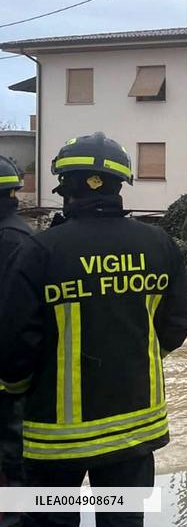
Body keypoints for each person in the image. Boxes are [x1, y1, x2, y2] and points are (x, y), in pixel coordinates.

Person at [0, 133, 187, 527]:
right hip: (136, 430)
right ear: (120, 185)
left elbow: (15, 342)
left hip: (55, 437)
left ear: (66, 187)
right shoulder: (159, 244)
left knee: (50, 521)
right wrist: (135, 355)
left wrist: (18, 389)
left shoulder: (39, 251)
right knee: (123, 520)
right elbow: (176, 325)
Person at [0, 155, 32, 527]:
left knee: (13, 465)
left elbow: (18, 320)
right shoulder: (18, 237)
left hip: (8, 389)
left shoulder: (12, 241)